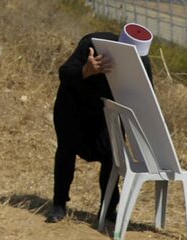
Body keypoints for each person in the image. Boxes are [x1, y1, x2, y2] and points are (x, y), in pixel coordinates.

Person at [46, 24, 155, 224]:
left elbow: (147, 99)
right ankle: (59, 204)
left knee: (112, 158)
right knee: (66, 152)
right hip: (73, 108)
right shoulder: (94, 44)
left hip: (106, 115)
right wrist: (86, 70)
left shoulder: (143, 65)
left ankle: (109, 208)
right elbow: (65, 73)